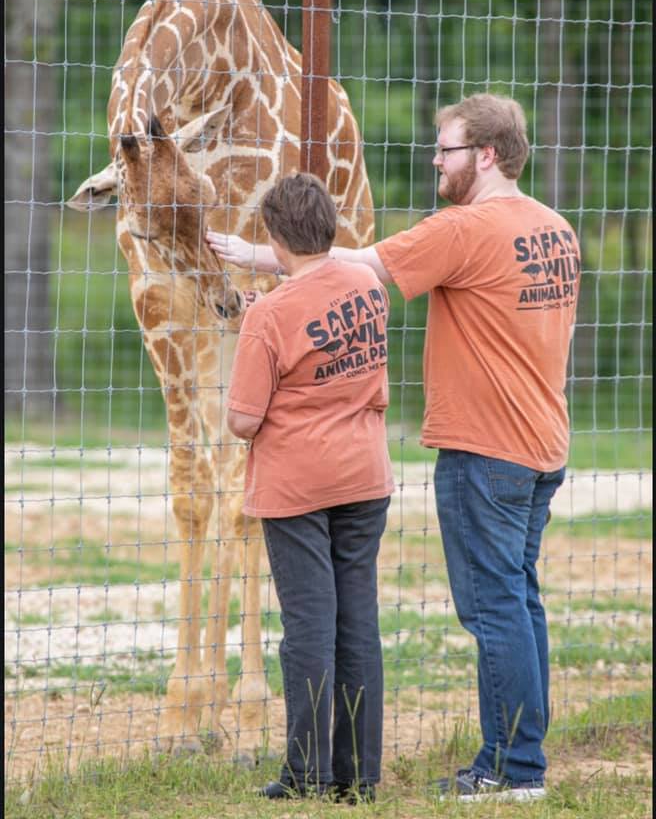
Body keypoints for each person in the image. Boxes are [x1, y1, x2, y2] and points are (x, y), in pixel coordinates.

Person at [208, 93, 581, 803]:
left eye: (446, 149)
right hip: (545, 442)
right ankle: (522, 753)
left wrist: (265, 256)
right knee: (522, 600)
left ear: (487, 155)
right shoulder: (554, 229)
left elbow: (356, 265)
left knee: (493, 607)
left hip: (485, 447)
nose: (435, 161)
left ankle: (510, 768)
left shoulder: (464, 229)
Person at [215, 172, 394, 802]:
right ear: (330, 226)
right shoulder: (368, 286)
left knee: (310, 628)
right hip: (366, 475)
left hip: (298, 487)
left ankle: (307, 772)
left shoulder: (270, 314)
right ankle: (358, 774)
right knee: (358, 623)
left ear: (273, 236)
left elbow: (241, 418)